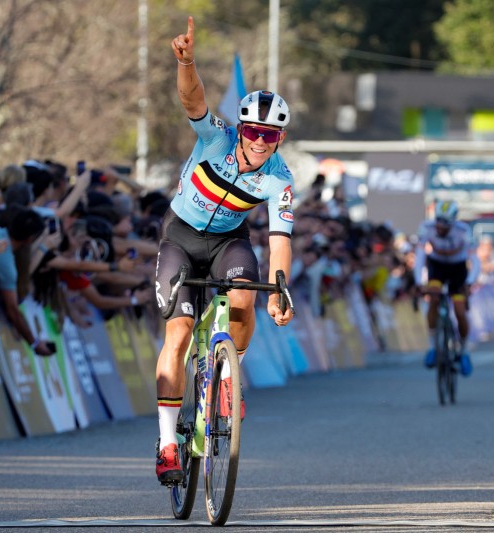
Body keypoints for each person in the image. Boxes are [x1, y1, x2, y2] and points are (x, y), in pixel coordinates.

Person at [152, 16, 295, 485]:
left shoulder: (280, 178)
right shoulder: (216, 137)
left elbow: (280, 239)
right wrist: (187, 63)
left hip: (229, 242)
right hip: (181, 237)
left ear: (280, 140)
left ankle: (229, 377)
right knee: (178, 334)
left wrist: (279, 290)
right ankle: (169, 444)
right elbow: (193, 101)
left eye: (269, 136)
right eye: (252, 131)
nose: (258, 141)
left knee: (245, 297)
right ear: (240, 127)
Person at [417, 200, 474, 377]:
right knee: (433, 299)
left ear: (453, 221)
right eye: (438, 221)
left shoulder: (464, 231)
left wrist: (469, 281)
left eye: (445, 223)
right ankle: (433, 347)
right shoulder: (426, 227)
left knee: (459, 311)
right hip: (437, 268)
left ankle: (464, 351)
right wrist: (419, 281)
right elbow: (419, 257)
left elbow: (476, 260)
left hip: (458, 269)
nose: (440, 226)